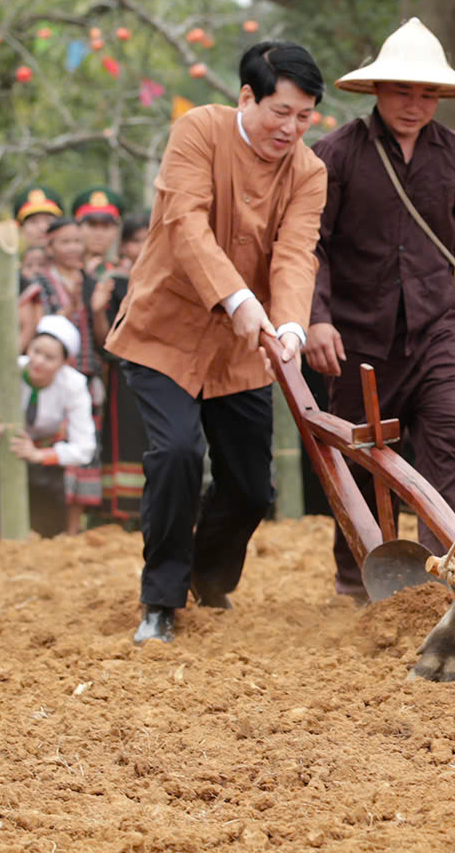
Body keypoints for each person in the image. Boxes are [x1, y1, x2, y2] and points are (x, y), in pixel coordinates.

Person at [106, 40, 329, 644]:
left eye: (304, 116)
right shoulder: (198, 130)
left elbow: (294, 254)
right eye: (280, 112)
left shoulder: (309, 172)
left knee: (252, 485)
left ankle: (208, 575)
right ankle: (162, 598)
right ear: (247, 96)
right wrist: (238, 301)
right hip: (165, 334)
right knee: (177, 453)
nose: (291, 128)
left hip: (242, 350)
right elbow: (186, 226)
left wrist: (288, 327)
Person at [304, 19, 455, 601]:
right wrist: (317, 317)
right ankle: (356, 577)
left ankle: (452, 575)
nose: (414, 105)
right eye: (402, 91)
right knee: (361, 460)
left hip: (440, 332)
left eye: (426, 93)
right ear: (377, 91)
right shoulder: (335, 154)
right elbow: (310, 245)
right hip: (355, 336)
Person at [0, 315, 97, 538]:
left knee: (46, 530)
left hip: (43, 462)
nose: (38, 361)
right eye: (36, 351)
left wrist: (38, 455)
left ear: (63, 363)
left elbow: (84, 447)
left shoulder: (74, 385)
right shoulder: (1, 370)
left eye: (49, 358)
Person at [31, 216, 113, 412]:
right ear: (49, 247)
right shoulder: (37, 283)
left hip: (87, 374)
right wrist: (70, 308)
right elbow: (40, 332)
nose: (73, 248)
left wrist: (98, 311)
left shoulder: (91, 283)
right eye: (65, 242)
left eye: (77, 242)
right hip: (50, 375)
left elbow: (104, 341)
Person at [71, 187, 125, 268]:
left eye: (106, 227)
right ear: (77, 228)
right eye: (92, 225)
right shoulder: (60, 271)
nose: (99, 234)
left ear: (116, 231)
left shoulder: (121, 271)